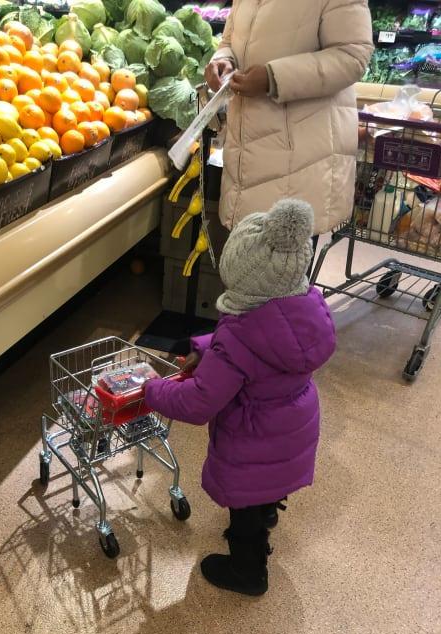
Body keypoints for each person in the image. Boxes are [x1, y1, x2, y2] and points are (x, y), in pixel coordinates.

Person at [144, 200, 336, 596]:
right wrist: (205, 347)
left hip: (252, 436)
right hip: (292, 426)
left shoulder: (240, 334)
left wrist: (152, 390)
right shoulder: (305, 306)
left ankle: (248, 572)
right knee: (269, 481)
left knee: (245, 507)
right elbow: (259, 344)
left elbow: (199, 402)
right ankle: (267, 511)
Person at [204, 0, 374, 237]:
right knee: (243, 251)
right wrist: (223, 60)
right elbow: (230, 39)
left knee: (284, 252)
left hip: (303, 160)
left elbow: (352, 56)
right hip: (246, 153)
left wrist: (272, 78)